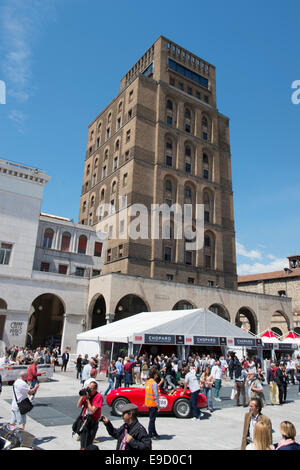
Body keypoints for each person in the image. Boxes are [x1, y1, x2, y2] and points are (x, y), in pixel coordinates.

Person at [76, 380, 103, 450]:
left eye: (91, 389)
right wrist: (82, 396)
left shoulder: (98, 397)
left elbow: (92, 411)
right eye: (88, 388)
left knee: (88, 445)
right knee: (82, 445)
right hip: (84, 422)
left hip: (92, 423)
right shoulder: (87, 395)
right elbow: (78, 406)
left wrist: (87, 400)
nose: (89, 390)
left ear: (95, 389)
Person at [145, 367, 160, 439]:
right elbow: (156, 395)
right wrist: (158, 405)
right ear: (154, 375)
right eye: (156, 374)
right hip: (153, 404)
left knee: (152, 419)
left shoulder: (148, 382)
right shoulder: (154, 383)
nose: (157, 376)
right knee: (152, 420)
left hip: (148, 403)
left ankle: (154, 432)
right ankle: (150, 434)